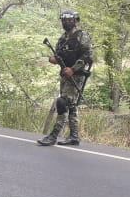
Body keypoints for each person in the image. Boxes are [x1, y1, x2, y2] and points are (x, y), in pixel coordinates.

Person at [38, 9, 93, 146]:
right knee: (72, 105)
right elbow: (59, 55)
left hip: (76, 75)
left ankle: (53, 136)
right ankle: (74, 137)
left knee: (62, 103)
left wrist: (73, 69)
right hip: (64, 76)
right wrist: (54, 59)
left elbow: (87, 56)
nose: (66, 22)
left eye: (69, 20)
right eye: (64, 20)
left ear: (75, 21)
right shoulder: (63, 38)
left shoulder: (82, 36)